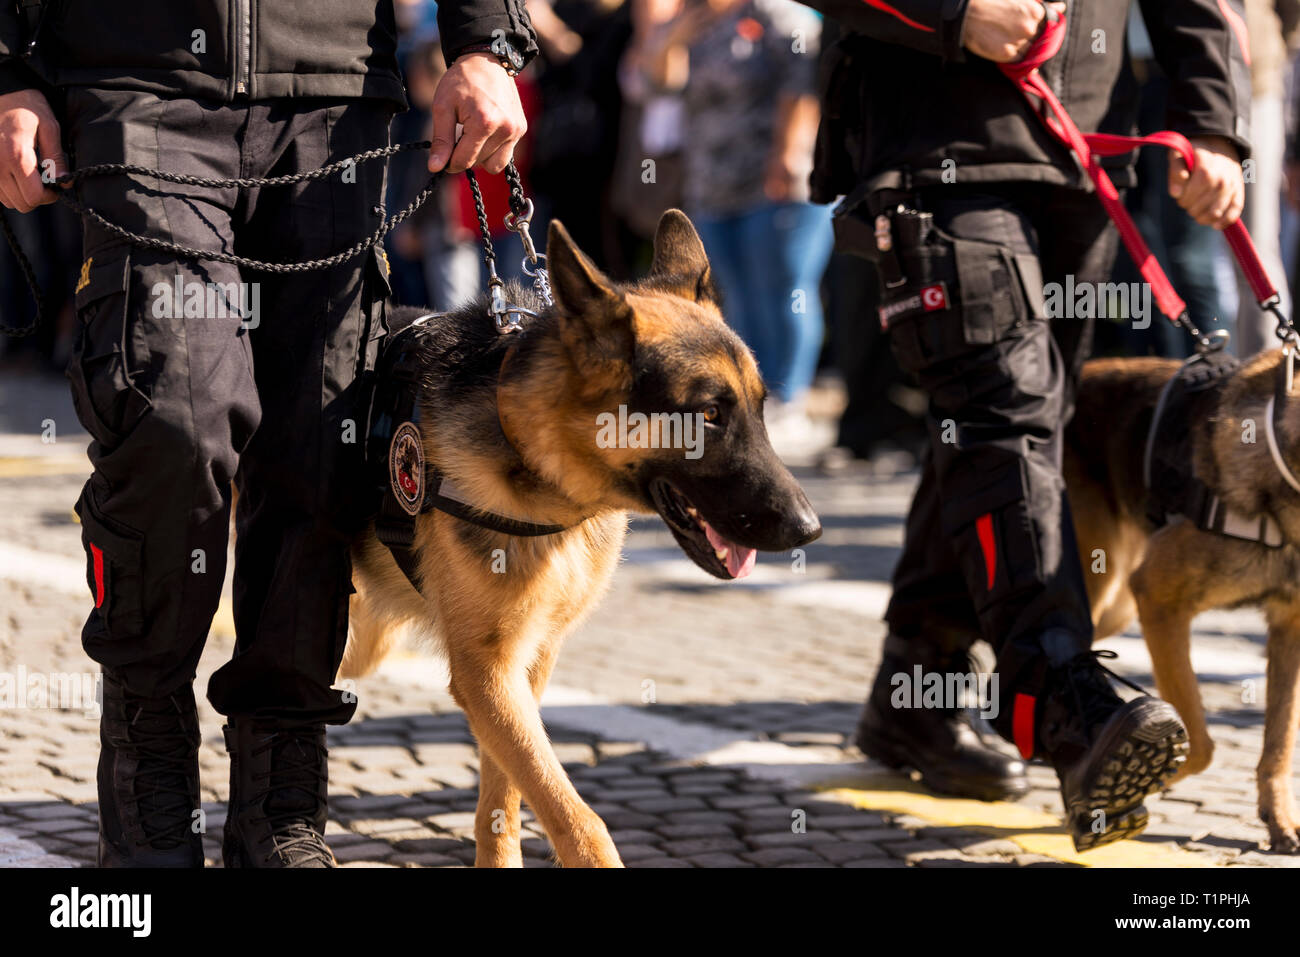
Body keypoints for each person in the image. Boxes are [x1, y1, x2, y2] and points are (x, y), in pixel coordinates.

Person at [0, 0, 536, 867]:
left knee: (321, 448)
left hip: (335, 89)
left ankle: (281, 802)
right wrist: (9, 69)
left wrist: (483, 43)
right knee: (172, 417)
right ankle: (149, 774)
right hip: (140, 82)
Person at [803, 0, 1248, 848]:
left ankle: (916, 690)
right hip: (934, 146)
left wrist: (1213, 124)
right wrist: (953, 13)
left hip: (1083, 161)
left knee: (1010, 423)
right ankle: (1065, 706)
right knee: (1006, 416)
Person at [642, 0, 833, 442]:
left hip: (777, 181)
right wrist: (672, 37)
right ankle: (753, 400)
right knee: (737, 296)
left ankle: (790, 401)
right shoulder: (697, 22)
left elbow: (803, 84)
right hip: (712, 188)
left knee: (785, 291)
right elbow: (657, 87)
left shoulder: (778, 15)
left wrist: (788, 154)